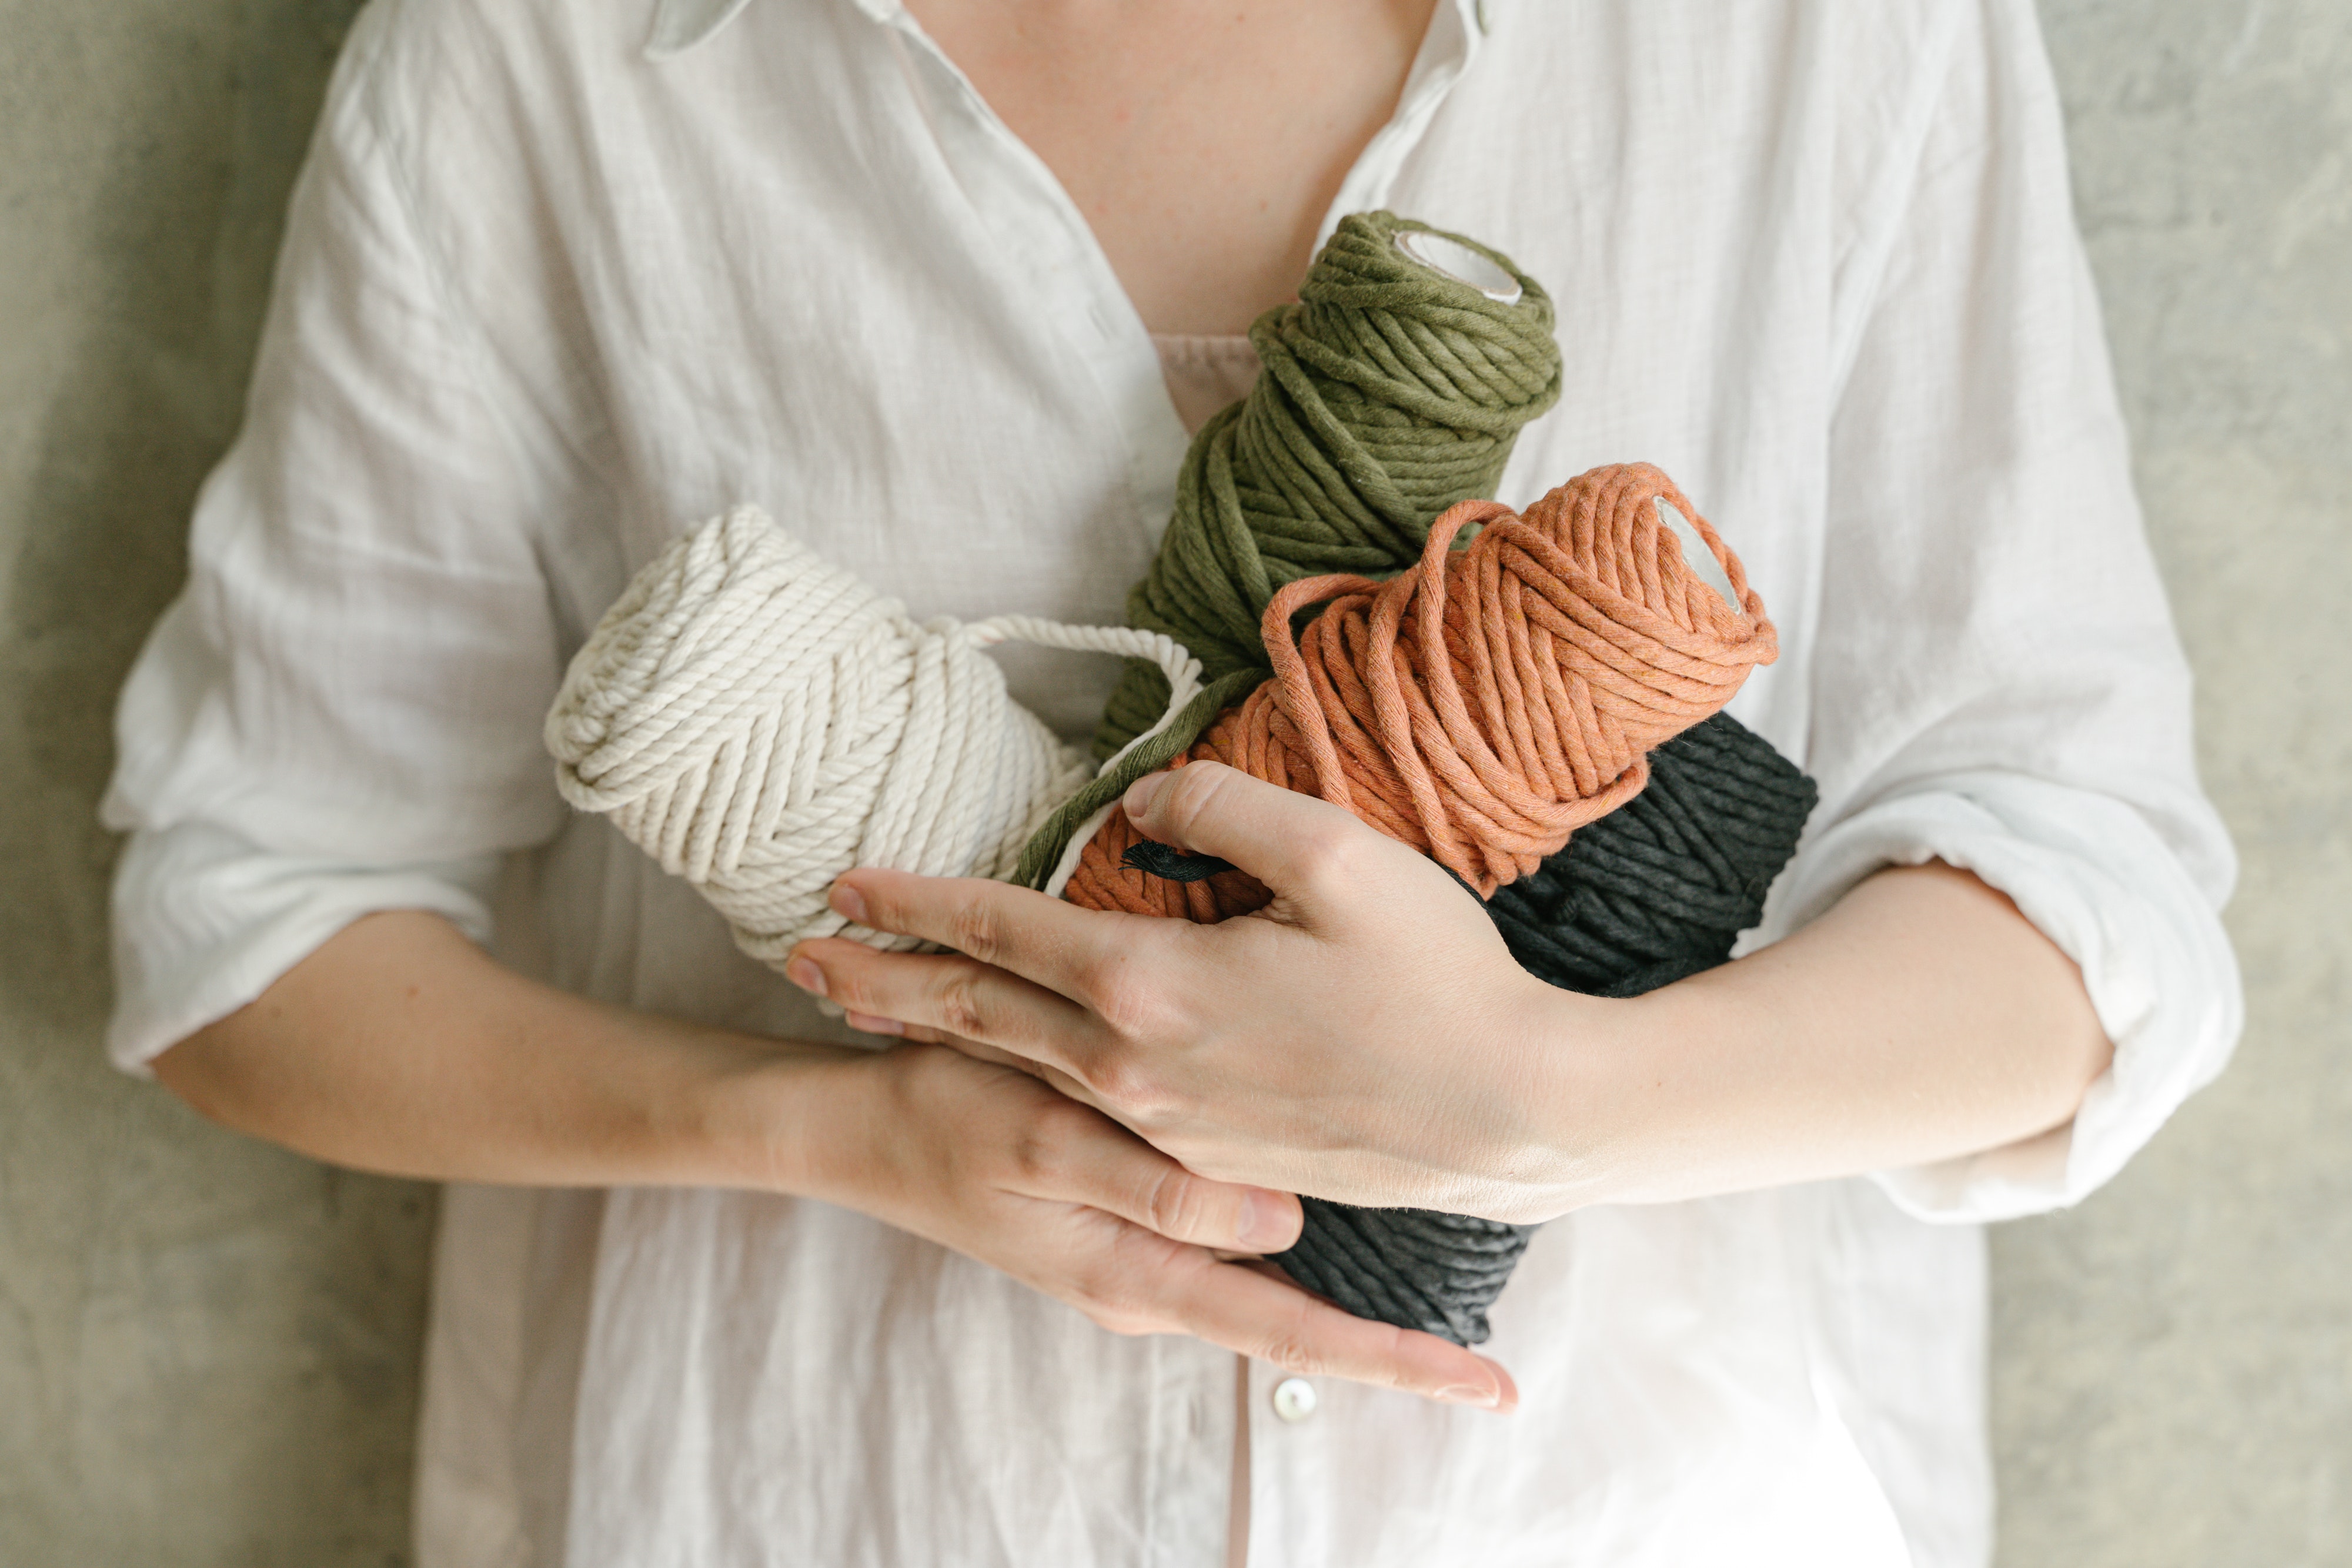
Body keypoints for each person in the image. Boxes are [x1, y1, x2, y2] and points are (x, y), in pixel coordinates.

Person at [102, 0, 2241, 1562]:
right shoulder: (550, 60)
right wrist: (846, 1126)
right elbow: (246, 924)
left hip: (1645, 1498)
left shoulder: (1812, 38)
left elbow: (2084, 884)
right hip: (823, 1495)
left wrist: (1550, 1108)